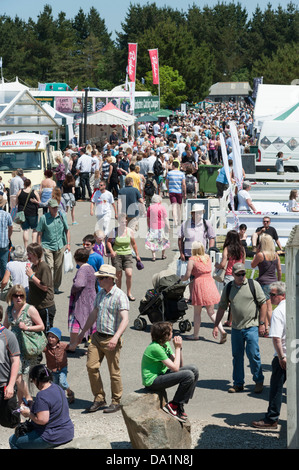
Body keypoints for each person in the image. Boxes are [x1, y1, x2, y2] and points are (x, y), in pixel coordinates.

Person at [77, 264, 129, 414]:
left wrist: (116, 337)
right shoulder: (100, 294)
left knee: (114, 372)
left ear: (110, 279)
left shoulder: (120, 296)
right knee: (91, 367)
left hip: (111, 339)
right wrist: (83, 332)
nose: (98, 280)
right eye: (98, 278)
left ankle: (116, 401)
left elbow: (125, 319)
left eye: (101, 278)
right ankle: (99, 398)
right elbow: (94, 314)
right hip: (97, 337)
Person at [213, 263, 267, 394]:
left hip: (252, 327)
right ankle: (238, 384)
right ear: (233, 275)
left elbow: (263, 304)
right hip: (236, 328)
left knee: (253, 354)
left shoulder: (253, 285)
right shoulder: (228, 287)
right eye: (239, 274)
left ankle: (258, 381)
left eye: (243, 274)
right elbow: (222, 307)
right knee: (237, 356)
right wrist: (216, 325)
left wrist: (261, 323)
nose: (242, 276)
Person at [141, 321, 198, 423]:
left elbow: (179, 365)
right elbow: (176, 369)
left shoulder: (165, 344)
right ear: (165, 335)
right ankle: (173, 405)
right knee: (188, 375)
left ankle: (180, 404)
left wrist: (179, 349)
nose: (173, 334)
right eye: (171, 332)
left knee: (193, 369)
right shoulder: (155, 348)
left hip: (161, 374)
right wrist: (177, 347)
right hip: (152, 381)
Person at [9, 364, 74, 449]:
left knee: (13, 441)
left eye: (32, 381)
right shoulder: (57, 388)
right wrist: (33, 405)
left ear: (36, 380)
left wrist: (28, 413)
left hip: (52, 437)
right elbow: (51, 408)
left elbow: (42, 420)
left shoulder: (42, 395)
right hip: (68, 432)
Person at [251, 281, 286, 429]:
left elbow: (276, 338)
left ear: (282, 296)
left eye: (272, 295)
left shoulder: (278, 312)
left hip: (283, 354)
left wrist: (281, 357)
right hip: (294, 352)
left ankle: (271, 419)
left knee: (276, 389)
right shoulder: (292, 307)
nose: (269, 297)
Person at [4, 284, 45, 404]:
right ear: (11, 296)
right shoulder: (10, 309)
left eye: (21, 295)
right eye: (16, 295)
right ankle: (23, 408)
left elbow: (41, 326)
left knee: (18, 376)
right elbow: (5, 326)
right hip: (13, 346)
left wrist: (27, 327)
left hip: (26, 346)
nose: (18, 298)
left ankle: (28, 398)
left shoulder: (30, 309)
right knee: (18, 376)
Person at [181, 241, 227, 343]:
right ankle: (222, 330)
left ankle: (195, 334)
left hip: (199, 284)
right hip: (209, 283)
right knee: (211, 312)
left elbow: (187, 275)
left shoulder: (192, 260)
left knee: (197, 313)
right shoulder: (207, 257)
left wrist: (182, 278)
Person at [36, 198, 71, 294]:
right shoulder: (44, 218)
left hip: (59, 245)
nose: (55, 209)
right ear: (49, 208)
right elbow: (39, 233)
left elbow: (67, 230)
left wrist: (68, 244)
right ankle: (49, 286)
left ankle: (56, 287)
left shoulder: (62, 216)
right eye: (53, 207)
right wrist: (39, 247)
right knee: (50, 266)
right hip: (47, 246)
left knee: (58, 267)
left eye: (56, 207)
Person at [251, 233, 282, 337]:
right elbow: (279, 270)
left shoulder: (261, 255)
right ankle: (269, 329)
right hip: (273, 282)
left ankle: (267, 328)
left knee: (264, 306)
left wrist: (257, 250)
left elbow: (252, 265)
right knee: (269, 307)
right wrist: (278, 281)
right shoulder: (275, 255)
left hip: (263, 283)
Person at [106, 213, 141, 302]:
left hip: (127, 254)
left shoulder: (129, 231)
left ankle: (129, 293)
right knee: (118, 275)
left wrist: (137, 255)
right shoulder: (114, 231)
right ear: (118, 222)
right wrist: (112, 251)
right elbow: (108, 242)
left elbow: (133, 243)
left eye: (125, 222)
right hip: (117, 254)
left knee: (129, 274)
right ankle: (119, 294)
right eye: (122, 222)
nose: (124, 223)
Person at [68, 248, 97, 352]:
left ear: (76, 259)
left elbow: (79, 284)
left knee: (75, 322)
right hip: (91, 297)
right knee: (91, 321)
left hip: (82, 299)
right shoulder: (91, 268)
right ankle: (92, 345)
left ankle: (72, 345)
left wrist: (73, 289)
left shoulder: (82, 270)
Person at [26, 243, 56, 332]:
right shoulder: (34, 265)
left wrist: (32, 276)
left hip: (45, 307)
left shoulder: (44, 267)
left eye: (29, 253)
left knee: (46, 333)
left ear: (35, 254)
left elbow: (45, 287)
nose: (27, 255)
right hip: (35, 306)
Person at [0, 304, 21, 429]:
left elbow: (15, 361)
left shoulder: (8, 336)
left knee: (13, 423)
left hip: (4, 388)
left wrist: (11, 386)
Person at [44, 327, 75, 404]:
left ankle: (70, 392)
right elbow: (39, 349)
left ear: (58, 338)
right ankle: (61, 399)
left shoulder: (62, 345)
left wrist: (77, 342)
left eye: (53, 337)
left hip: (62, 368)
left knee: (62, 382)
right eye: (49, 336)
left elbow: (71, 347)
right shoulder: (46, 347)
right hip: (52, 369)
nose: (50, 338)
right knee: (56, 386)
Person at [16, 178, 40, 248]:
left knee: (25, 230)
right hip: (33, 212)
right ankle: (33, 244)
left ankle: (26, 247)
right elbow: (39, 202)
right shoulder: (34, 192)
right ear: (30, 184)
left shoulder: (20, 191)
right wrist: (35, 202)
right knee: (34, 229)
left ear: (24, 184)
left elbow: (16, 202)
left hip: (23, 213)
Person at [145, 194, 170, 261]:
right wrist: (168, 226)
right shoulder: (162, 207)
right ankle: (163, 255)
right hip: (161, 226)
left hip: (153, 226)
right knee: (163, 240)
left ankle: (154, 256)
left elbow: (148, 218)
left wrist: (149, 225)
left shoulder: (150, 207)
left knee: (152, 241)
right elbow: (165, 218)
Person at [166, 160, 186, 227]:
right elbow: (183, 184)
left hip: (172, 191)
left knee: (174, 206)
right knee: (179, 207)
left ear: (173, 166)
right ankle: (179, 220)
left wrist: (168, 189)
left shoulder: (169, 173)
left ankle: (175, 221)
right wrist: (184, 192)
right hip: (179, 191)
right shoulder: (182, 174)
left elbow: (167, 182)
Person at [0, 198, 13, 281]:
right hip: (4, 242)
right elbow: (11, 227)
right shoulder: (6, 214)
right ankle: (4, 280)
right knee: (4, 263)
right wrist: (8, 236)